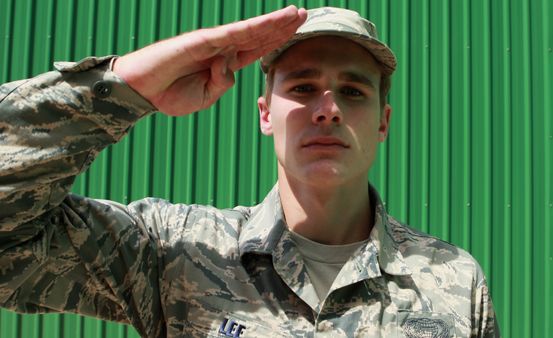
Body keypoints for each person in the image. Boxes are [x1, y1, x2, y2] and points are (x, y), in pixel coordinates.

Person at [0, 5, 499, 338]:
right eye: (303, 88)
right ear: (265, 113)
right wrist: (127, 86)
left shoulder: (451, 280)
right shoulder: (177, 251)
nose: (327, 109)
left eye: (353, 91)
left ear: (383, 122)